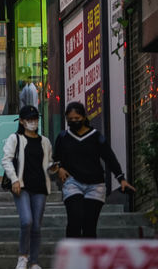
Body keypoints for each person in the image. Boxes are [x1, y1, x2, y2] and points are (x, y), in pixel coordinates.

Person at [54, 101, 133, 238]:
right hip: (72, 182)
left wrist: (121, 179)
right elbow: (55, 158)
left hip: (95, 185)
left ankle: (89, 257)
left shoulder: (96, 136)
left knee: (89, 225)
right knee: (75, 219)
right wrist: (59, 168)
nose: (74, 122)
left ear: (84, 117)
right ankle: (72, 254)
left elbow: (109, 158)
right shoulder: (63, 137)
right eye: (70, 119)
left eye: (77, 119)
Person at [2, 104, 54, 269]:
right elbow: (6, 160)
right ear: (22, 121)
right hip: (21, 186)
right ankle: (23, 257)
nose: (33, 122)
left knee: (36, 226)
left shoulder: (45, 141)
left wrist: (54, 168)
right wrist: (14, 179)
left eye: (35, 119)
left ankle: (34, 262)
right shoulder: (15, 139)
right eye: (29, 119)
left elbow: (48, 162)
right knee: (27, 221)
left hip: (40, 186)